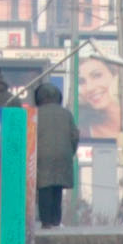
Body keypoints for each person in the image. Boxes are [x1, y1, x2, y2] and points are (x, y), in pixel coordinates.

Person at [27, 79, 78, 230]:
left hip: (42, 156)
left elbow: (29, 137)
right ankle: (56, 220)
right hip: (64, 154)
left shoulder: (35, 114)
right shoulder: (67, 114)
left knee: (45, 188)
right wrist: (70, 151)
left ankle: (46, 222)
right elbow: (74, 136)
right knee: (57, 188)